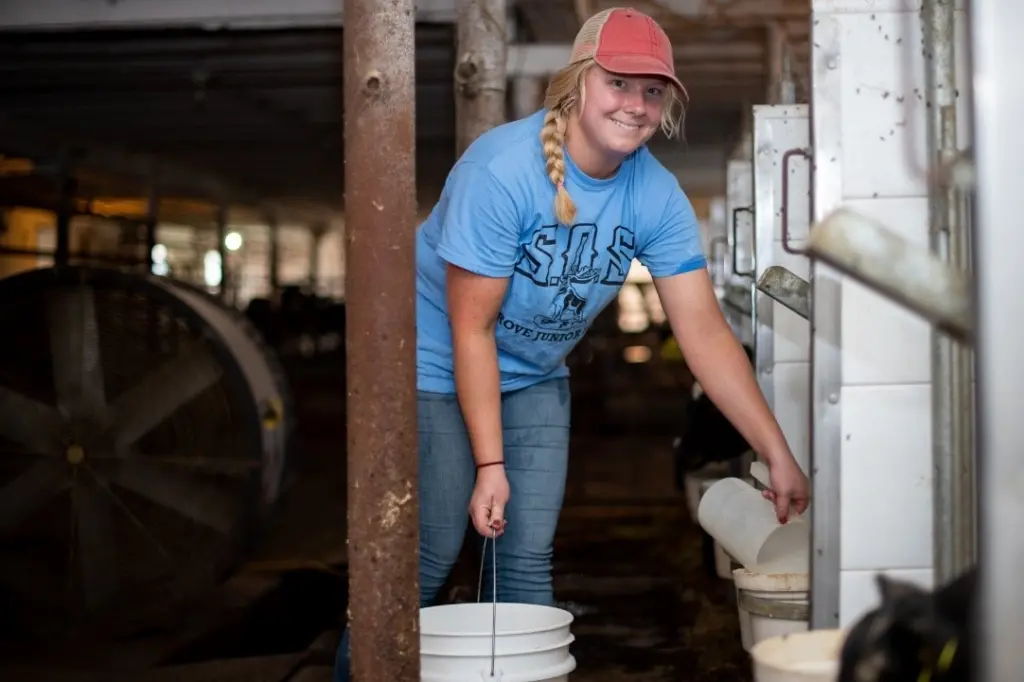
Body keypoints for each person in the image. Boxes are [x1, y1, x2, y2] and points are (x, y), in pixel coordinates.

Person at [335, 6, 809, 679]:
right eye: (619, 83)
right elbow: (470, 329)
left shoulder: (656, 194)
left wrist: (776, 451)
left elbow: (702, 332)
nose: (636, 105)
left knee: (524, 558)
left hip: (532, 374)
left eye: (653, 91)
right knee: (429, 554)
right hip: (438, 367)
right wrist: (490, 466)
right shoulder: (501, 171)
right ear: (579, 83)